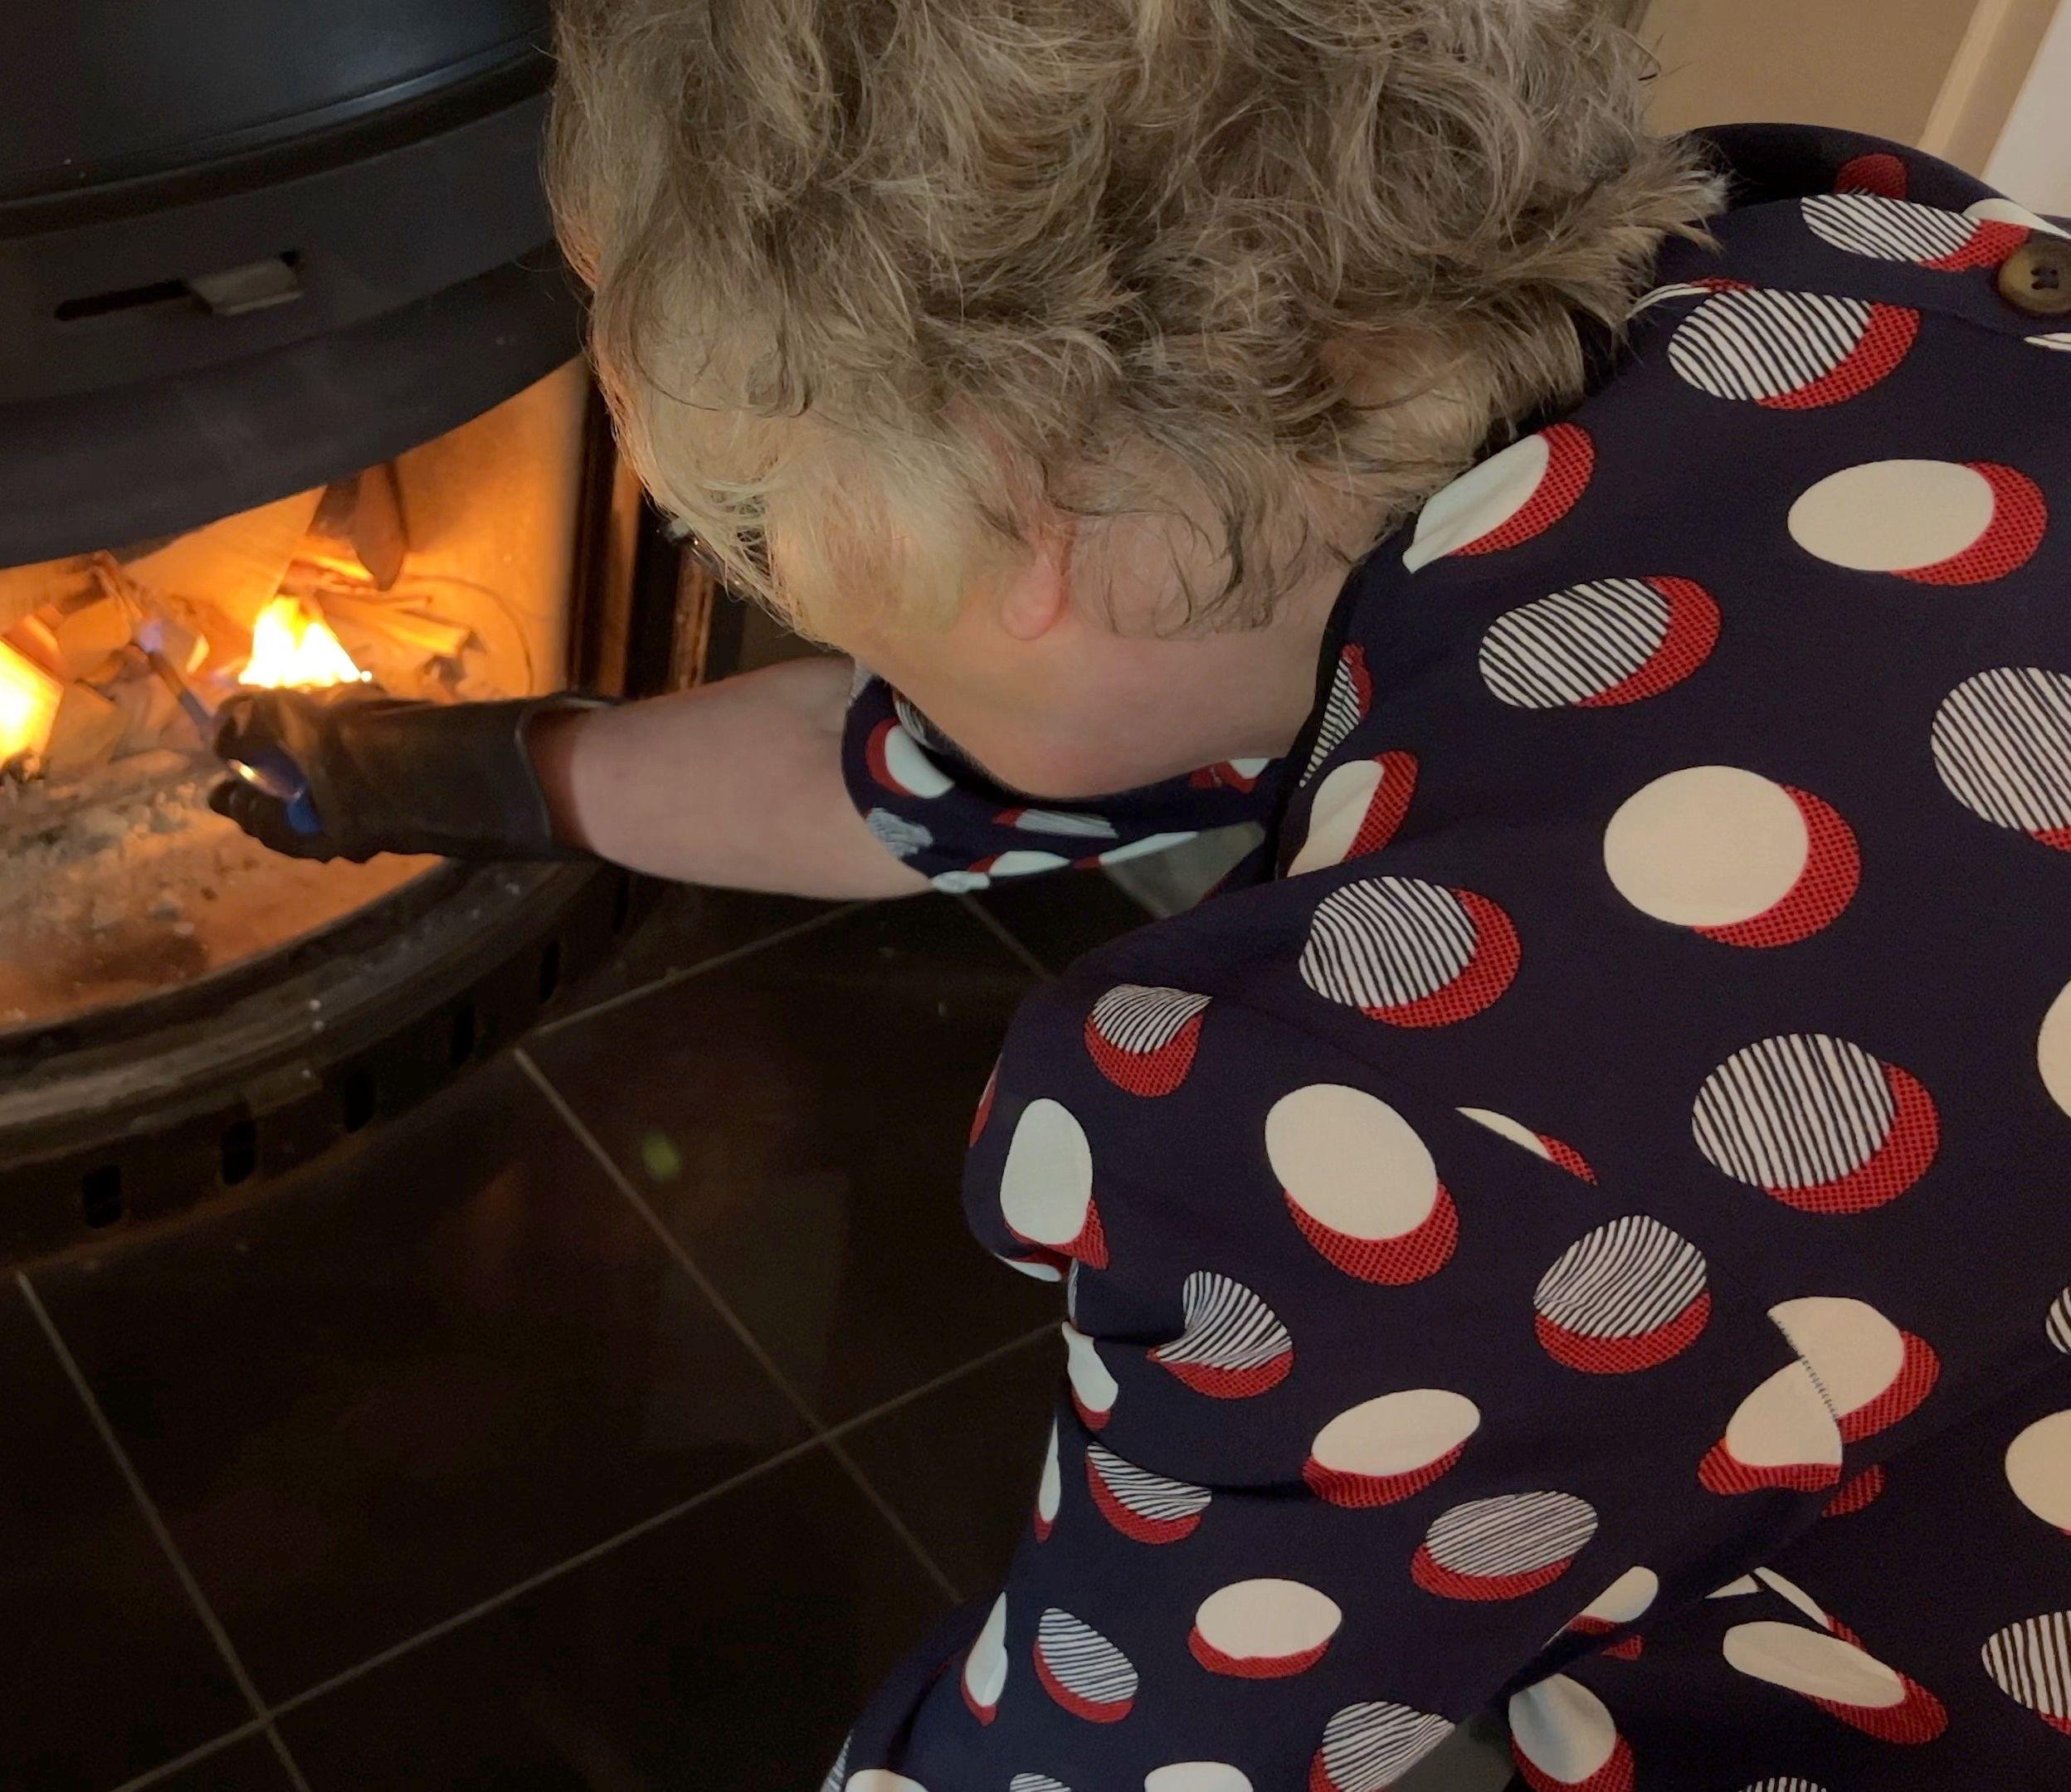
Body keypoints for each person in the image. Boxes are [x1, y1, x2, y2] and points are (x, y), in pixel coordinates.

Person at [212, 2, 2071, 1785]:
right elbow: (929, 761)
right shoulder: (1844, 279)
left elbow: (1092, 1769)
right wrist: (444, 778)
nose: (784, 580)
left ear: (1025, 503)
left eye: (768, 531)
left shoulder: (1428, 1127)